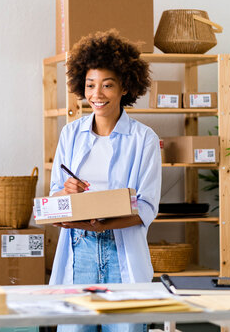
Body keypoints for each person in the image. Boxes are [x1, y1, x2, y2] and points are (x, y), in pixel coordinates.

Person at [49, 30, 161, 332]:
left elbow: (147, 206)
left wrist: (103, 222)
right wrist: (65, 192)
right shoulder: (70, 135)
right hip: (79, 251)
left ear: (125, 86)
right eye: (90, 85)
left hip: (120, 252)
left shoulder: (144, 140)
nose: (97, 94)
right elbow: (53, 200)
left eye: (107, 85)